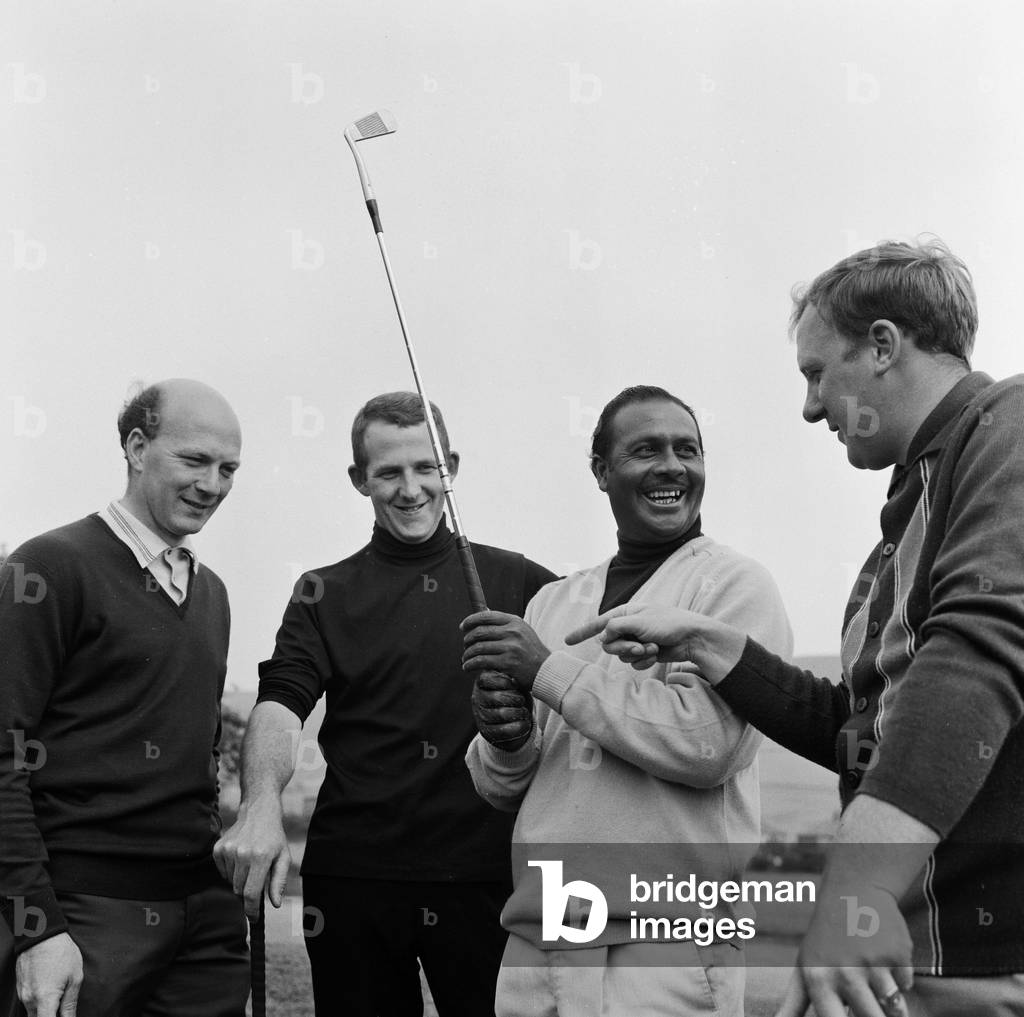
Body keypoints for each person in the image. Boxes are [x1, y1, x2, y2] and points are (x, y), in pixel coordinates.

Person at [571, 240, 1024, 1017]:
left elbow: (973, 664)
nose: (812, 406)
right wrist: (719, 648)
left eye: (817, 373)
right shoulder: (911, 504)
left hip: (983, 956)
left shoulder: (1007, 424)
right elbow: (865, 732)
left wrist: (856, 892)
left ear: (882, 345)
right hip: (902, 953)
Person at [213, 391, 555, 1017]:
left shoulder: (525, 583)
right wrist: (259, 804)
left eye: (427, 468)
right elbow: (280, 706)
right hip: (354, 879)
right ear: (359, 480)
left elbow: (588, 693)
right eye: (389, 472)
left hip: (491, 879)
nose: (411, 488)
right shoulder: (322, 592)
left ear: (451, 467)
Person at [461, 385, 792, 1017]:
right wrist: (506, 741)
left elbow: (708, 748)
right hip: (546, 934)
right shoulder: (553, 603)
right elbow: (507, 788)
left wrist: (546, 669)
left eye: (687, 450)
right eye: (645, 450)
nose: (672, 466)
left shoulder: (734, 586)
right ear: (602, 471)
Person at [0, 379, 248, 1017]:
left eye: (228, 469)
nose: (212, 485)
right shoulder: (47, 567)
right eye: (194, 461)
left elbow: (202, 758)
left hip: (205, 918)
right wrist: (37, 928)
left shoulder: (213, 593)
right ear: (137, 447)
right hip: (85, 916)